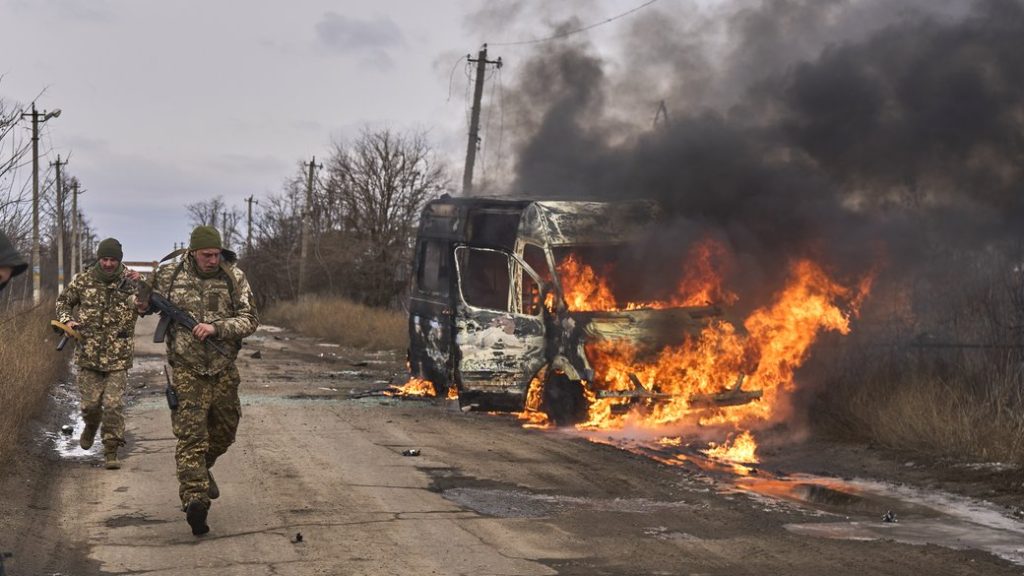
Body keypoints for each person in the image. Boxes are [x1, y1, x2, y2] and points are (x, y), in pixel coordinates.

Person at [138, 226, 258, 536]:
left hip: (222, 367)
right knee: (191, 438)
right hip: (187, 370)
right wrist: (140, 300)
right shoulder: (168, 275)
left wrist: (217, 327)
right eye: (206, 255)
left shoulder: (234, 277)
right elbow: (141, 305)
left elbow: (250, 319)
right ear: (193, 253)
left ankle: (201, 471)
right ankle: (195, 501)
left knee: (225, 433)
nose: (212, 260)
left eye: (216, 254)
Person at [55, 238, 141, 470]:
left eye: (113, 259)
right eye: (105, 259)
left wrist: (144, 282)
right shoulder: (83, 281)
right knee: (89, 406)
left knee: (113, 405)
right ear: (99, 258)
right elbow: (63, 302)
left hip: (118, 357)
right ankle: (91, 426)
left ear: (119, 260)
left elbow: (151, 303)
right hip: (88, 354)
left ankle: (111, 451)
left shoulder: (132, 282)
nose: (109, 264)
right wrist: (68, 320)